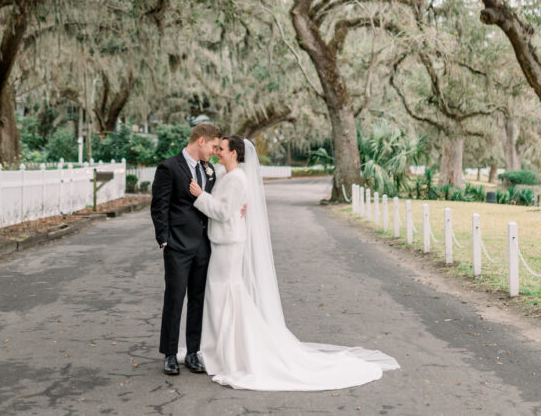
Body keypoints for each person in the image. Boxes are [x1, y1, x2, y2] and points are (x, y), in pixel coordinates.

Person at [188, 135, 399, 391]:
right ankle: (220, 350)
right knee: (220, 295)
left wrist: (199, 197)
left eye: (221, 149)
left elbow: (221, 212)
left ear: (234, 153)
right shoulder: (224, 175)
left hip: (229, 244)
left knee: (226, 294)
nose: (217, 152)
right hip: (222, 242)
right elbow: (227, 207)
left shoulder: (238, 179)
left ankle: (232, 353)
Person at [150, 123, 221, 376]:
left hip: (204, 245)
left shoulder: (208, 170)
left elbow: (212, 201)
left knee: (198, 300)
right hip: (178, 245)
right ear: (200, 141)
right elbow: (159, 206)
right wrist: (164, 239)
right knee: (175, 298)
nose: (214, 152)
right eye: (213, 146)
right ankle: (169, 353)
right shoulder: (169, 167)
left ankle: (193, 352)